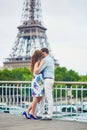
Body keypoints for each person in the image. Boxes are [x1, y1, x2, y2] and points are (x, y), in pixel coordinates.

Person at [22, 50, 45, 119]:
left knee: (38, 99)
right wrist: (41, 64)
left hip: (38, 82)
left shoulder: (37, 62)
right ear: (39, 56)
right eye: (41, 55)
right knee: (36, 98)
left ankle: (27, 111)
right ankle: (33, 113)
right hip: (37, 83)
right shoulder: (37, 62)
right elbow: (36, 71)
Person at [36, 48, 55, 120]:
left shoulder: (45, 60)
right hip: (48, 79)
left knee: (47, 98)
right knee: (43, 97)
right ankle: (40, 113)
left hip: (47, 79)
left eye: (41, 53)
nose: (41, 55)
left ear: (44, 52)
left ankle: (49, 115)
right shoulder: (50, 59)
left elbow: (38, 71)